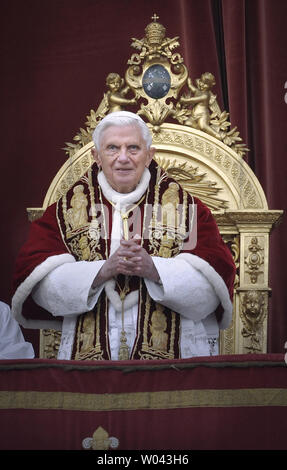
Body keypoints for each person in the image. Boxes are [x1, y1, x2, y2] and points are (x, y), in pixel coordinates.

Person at [11, 111, 236, 360]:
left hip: (173, 364)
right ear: (96, 156)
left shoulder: (188, 211)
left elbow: (211, 290)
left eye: (133, 148)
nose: (123, 158)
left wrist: (155, 270)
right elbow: (41, 286)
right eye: (112, 148)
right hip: (86, 365)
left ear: (149, 155)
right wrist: (100, 272)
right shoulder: (64, 213)